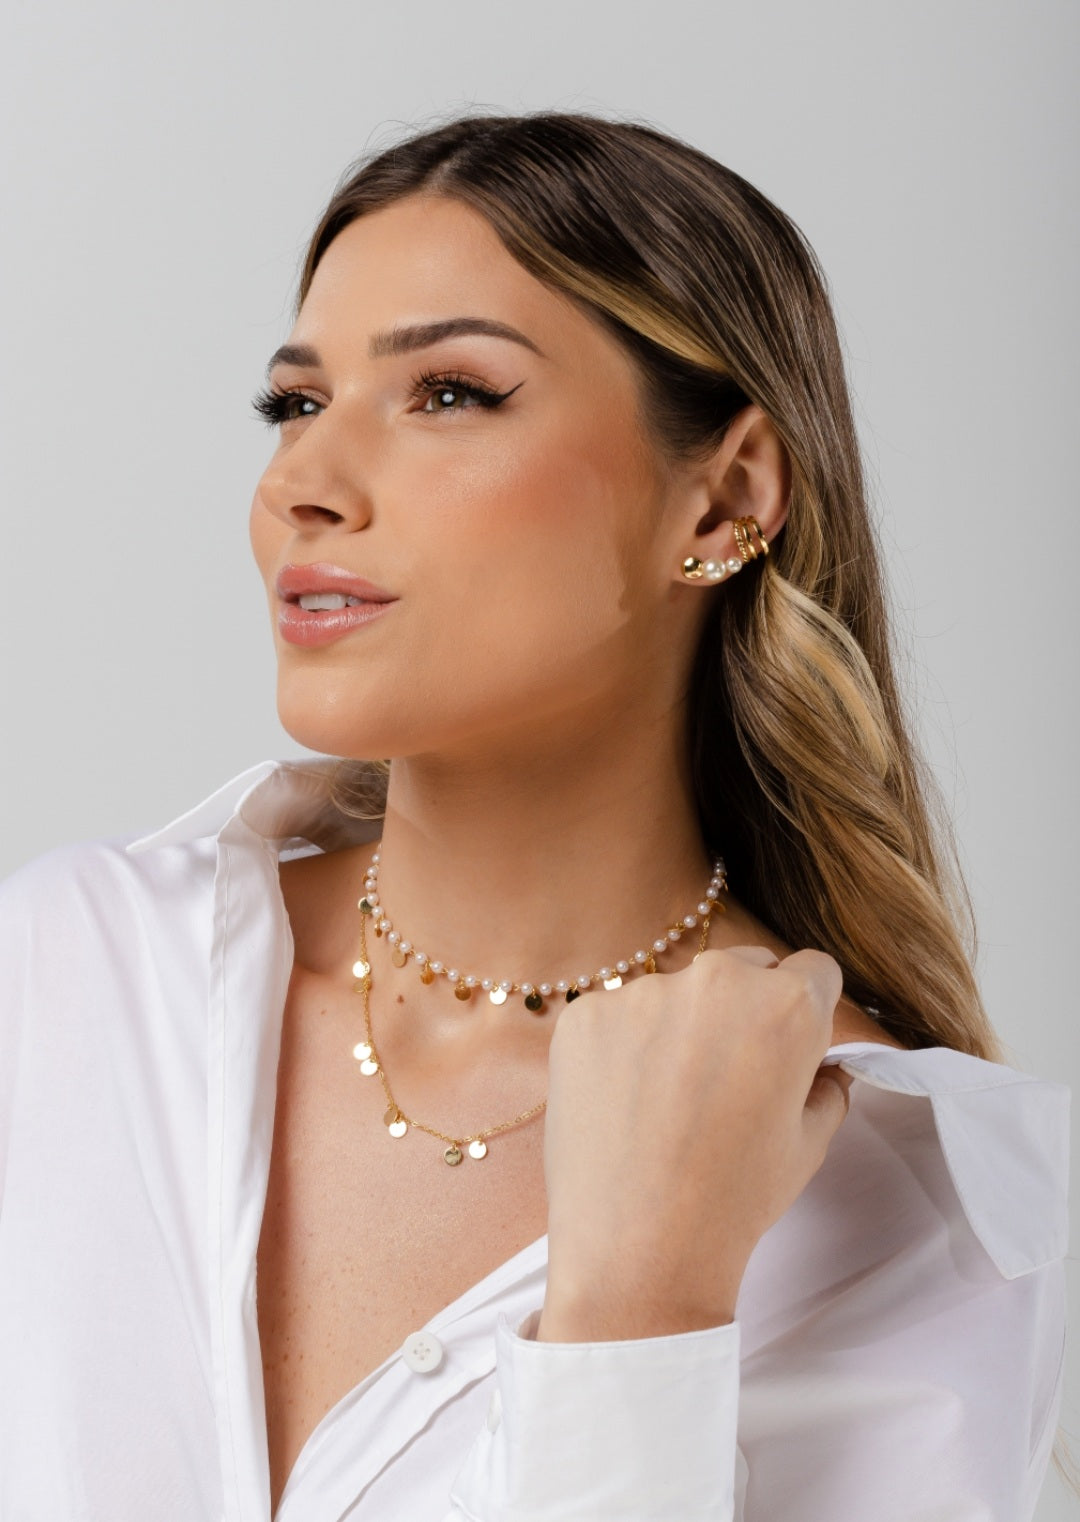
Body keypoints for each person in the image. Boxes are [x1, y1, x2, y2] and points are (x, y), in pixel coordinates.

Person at [0, 110, 1070, 1522]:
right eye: (295, 404)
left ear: (726, 497)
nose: (299, 485)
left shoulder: (921, 1216)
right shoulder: (69, 981)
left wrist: (643, 1314)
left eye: (449, 393)